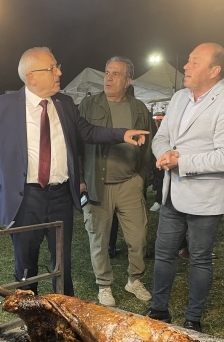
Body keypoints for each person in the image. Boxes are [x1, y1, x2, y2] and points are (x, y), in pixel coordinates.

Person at [0, 47, 148, 297]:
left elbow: (88, 131)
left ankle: (62, 309)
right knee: (26, 264)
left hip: (60, 197)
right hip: (25, 198)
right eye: (52, 68)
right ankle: (29, 311)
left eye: (57, 67)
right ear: (32, 76)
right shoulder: (3, 106)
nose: (59, 72)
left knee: (62, 264)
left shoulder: (64, 104)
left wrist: (122, 134)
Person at [145, 42, 224, 332]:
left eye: (194, 62)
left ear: (214, 70)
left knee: (200, 259)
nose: (185, 66)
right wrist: (164, 154)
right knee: (163, 253)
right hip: (172, 192)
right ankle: (158, 310)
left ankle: (193, 319)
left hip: (207, 197)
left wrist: (180, 160)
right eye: (188, 61)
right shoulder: (179, 97)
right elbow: (161, 137)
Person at [78, 56, 154, 306]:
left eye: (116, 74)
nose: (108, 78)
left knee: (138, 237)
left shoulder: (139, 108)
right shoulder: (88, 105)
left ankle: (134, 280)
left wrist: (142, 178)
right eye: (107, 72)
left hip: (130, 183)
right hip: (97, 184)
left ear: (127, 81)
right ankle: (104, 285)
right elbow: (76, 143)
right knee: (98, 239)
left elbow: (149, 146)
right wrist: (81, 178)